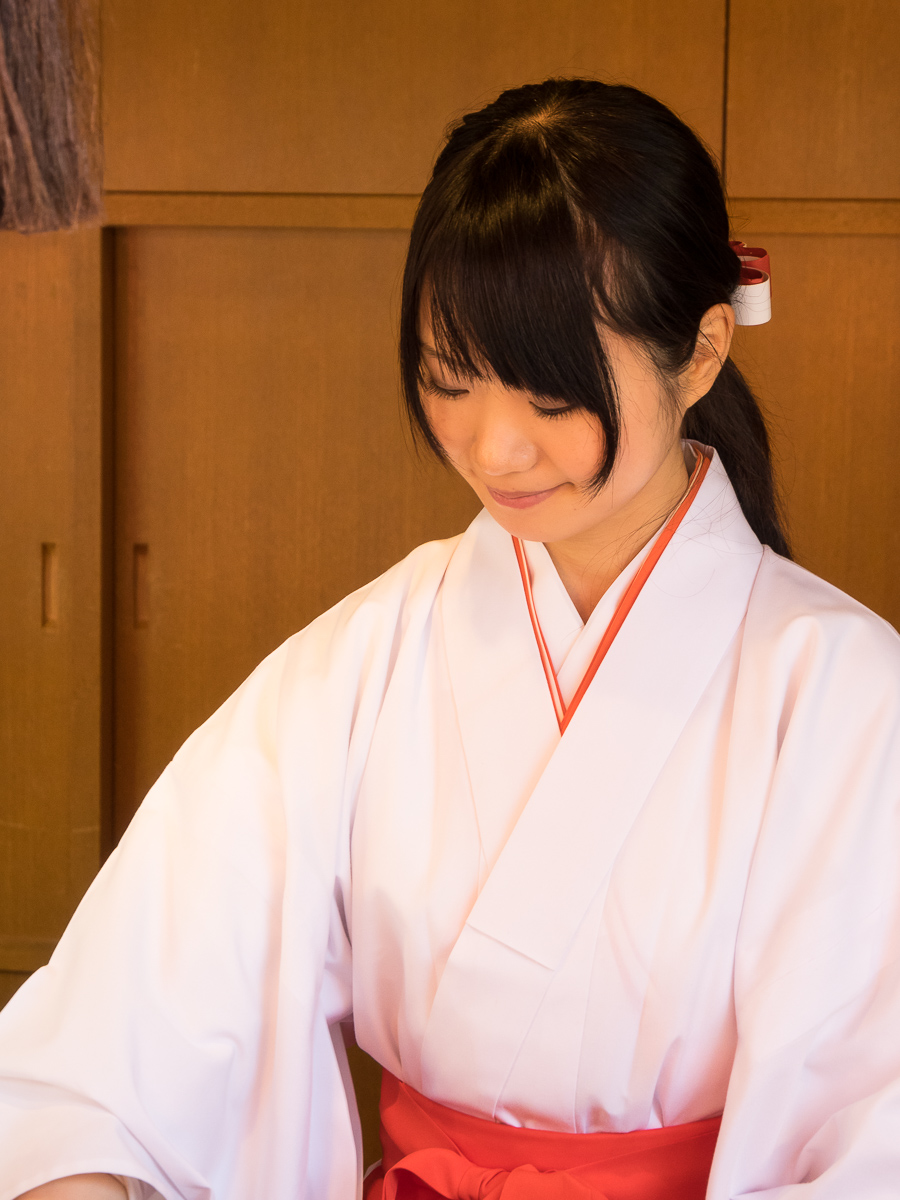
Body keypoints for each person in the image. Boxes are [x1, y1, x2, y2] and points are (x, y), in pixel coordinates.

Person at [1, 77, 899, 1200]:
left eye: (549, 392)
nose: (495, 447)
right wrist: (81, 1163)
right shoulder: (371, 658)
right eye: (452, 380)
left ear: (703, 351)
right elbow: (132, 1011)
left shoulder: (846, 700)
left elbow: (878, 1130)